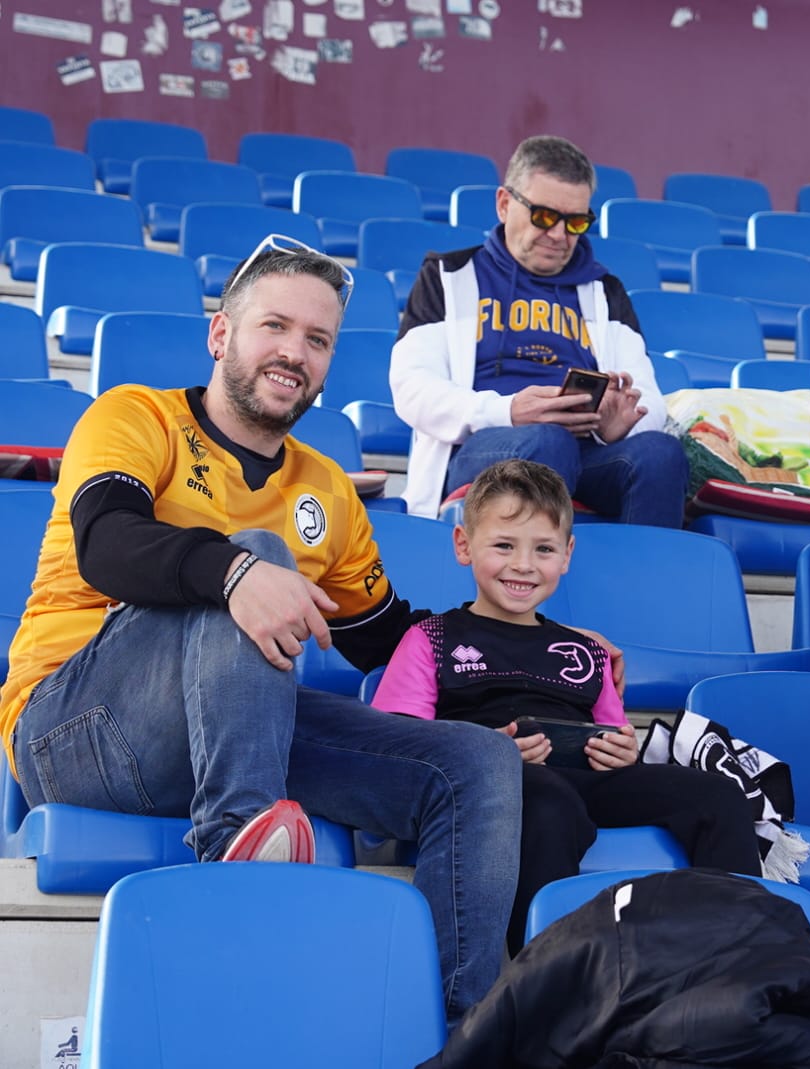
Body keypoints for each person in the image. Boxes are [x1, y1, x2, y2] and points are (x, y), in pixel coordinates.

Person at [0, 235, 523, 1026]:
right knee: (255, 554)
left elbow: (384, 639)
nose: (295, 353)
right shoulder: (136, 415)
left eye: (317, 340)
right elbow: (106, 546)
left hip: (242, 727)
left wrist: (541, 653)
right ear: (220, 334)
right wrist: (240, 573)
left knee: (473, 763)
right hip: (79, 730)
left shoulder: (327, 490)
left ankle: (456, 1029)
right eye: (274, 327)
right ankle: (239, 879)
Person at [370, 459, 760, 952]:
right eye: (504, 546)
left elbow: (614, 736)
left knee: (718, 796)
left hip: (585, 779)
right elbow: (398, 746)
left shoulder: (585, 650)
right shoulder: (432, 638)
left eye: (544, 549)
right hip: (497, 785)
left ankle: (738, 960)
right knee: (552, 803)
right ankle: (544, 971)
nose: (524, 565)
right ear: (464, 546)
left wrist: (623, 752)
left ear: (567, 555)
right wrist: (485, 752)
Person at [391, 135, 686, 525]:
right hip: (483, 446)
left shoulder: (606, 291)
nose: (559, 235)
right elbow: (412, 389)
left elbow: (648, 399)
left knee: (661, 454)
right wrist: (507, 411)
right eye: (545, 216)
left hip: (587, 451)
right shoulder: (448, 277)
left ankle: (645, 586)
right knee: (548, 441)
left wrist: (612, 428)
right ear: (504, 204)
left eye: (576, 222)